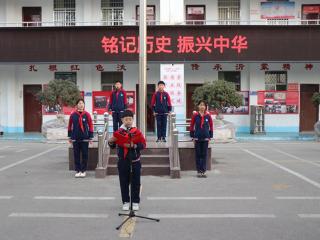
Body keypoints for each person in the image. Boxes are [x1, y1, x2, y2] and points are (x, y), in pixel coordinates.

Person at [108, 110, 146, 211]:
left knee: (136, 182)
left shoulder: (137, 131)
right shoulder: (118, 132)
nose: (128, 121)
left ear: (133, 120)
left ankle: (135, 202)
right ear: (122, 120)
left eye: (130, 119)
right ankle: (125, 201)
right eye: (126, 119)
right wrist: (110, 142)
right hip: (123, 161)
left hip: (135, 161)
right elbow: (112, 146)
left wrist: (134, 145)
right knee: (123, 182)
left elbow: (143, 145)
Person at [68, 99, 94, 178]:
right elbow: (70, 125)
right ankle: (78, 170)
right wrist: (70, 136)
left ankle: (83, 170)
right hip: (75, 137)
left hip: (84, 138)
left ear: (84, 105)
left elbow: (90, 125)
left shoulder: (87, 114)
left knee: (85, 154)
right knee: (76, 154)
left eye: (82, 103)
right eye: (79, 103)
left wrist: (90, 136)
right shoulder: (73, 115)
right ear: (77, 105)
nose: (81, 104)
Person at [189, 100, 213, 178]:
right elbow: (192, 126)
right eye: (201, 105)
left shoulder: (208, 116)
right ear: (198, 106)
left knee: (204, 155)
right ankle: (199, 171)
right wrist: (192, 136)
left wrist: (210, 137)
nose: (202, 106)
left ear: (205, 107)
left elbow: (211, 126)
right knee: (198, 155)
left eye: (203, 105)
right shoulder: (195, 115)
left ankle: (203, 171)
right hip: (197, 138)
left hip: (205, 138)